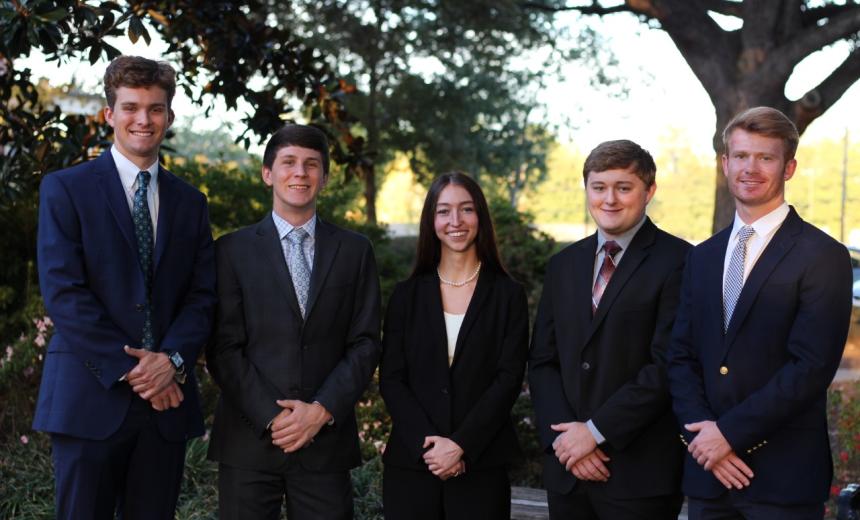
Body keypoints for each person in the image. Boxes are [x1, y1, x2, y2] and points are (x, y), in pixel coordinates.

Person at [33, 55, 216, 519]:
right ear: (109, 114)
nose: (143, 119)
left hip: (165, 407)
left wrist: (171, 362)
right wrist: (139, 371)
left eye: (155, 109)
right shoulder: (65, 189)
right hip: (90, 395)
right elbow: (64, 292)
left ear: (169, 117)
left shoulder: (191, 203)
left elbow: (202, 296)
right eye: (131, 107)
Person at [667, 106, 852, 519]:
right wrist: (705, 438)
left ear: (789, 168)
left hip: (781, 479)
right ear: (724, 163)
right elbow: (680, 355)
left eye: (765, 158)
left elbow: (810, 368)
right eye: (741, 156)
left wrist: (729, 435)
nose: (751, 168)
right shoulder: (702, 257)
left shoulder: (822, 256)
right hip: (709, 475)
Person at [206, 124, 381, 520]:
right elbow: (223, 346)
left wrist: (320, 410)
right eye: (288, 163)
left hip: (325, 444)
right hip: (249, 441)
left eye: (311, 164)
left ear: (325, 178)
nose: (299, 173)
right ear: (268, 173)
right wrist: (273, 416)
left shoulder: (355, 251)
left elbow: (366, 342)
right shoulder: (231, 251)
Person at [529, 139, 690, 519]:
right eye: (599, 187)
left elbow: (666, 366)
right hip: (568, 469)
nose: (609, 199)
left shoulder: (681, 261)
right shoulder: (563, 264)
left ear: (649, 191)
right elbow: (542, 361)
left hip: (637, 474)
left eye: (623, 187)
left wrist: (595, 432)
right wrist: (566, 441)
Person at [379, 172, 529, 519]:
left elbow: (507, 381)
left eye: (466, 209)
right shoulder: (406, 296)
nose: (456, 222)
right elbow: (392, 379)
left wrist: (461, 445)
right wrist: (430, 446)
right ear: (431, 220)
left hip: (481, 465)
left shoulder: (508, 296)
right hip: (413, 465)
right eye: (444, 211)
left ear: (481, 217)